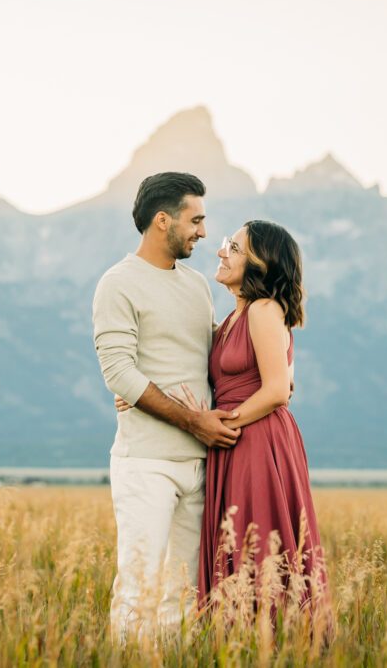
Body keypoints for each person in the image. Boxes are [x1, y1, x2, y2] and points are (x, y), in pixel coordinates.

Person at [91, 172, 241, 640]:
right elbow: (119, 372)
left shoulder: (197, 285)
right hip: (145, 464)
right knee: (138, 590)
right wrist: (189, 418)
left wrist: (276, 371)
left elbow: (216, 357)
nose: (202, 231)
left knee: (183, 596)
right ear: (163, 221)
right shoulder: (118, 284)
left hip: (200, 465)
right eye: (195, 220)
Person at [168, 220, 332, 636]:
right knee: (238, 545)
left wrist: (219, 425)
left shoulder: (263, 310)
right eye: (226, 244)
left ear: (260, 264)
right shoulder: (230, 319)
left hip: (257, 440)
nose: (221, 251)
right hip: (233, 441)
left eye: (234, 247)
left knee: (257, 545)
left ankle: (276, 642)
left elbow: (277, 390)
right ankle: (239, 641)